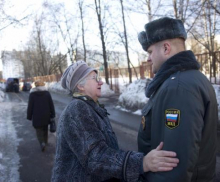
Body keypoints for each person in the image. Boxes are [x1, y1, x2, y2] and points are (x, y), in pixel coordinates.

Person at [51, 61, 179, 182]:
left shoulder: (90, 107)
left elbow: (108, 150)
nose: (100, 82)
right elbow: (96, 158)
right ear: (80, 86)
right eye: (95, 78)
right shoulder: (77, 109)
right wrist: (142, 163)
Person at [137, 17, 218, 181]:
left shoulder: (178, 87)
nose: (148, 58)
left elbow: (173, 165)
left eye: (150, 52)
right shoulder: (191, 79)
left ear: (166, 48)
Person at [27, 80, 55, 152]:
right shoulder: (47, 93)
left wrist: (29, 116)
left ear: (36, 86)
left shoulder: (32, 94)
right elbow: (51, 104)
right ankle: (45, 142)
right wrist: (53, 114)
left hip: (36, 116)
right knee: (45, 129)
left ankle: (42, 143)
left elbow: (30, 106)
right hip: (46, 115)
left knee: (38, 131)